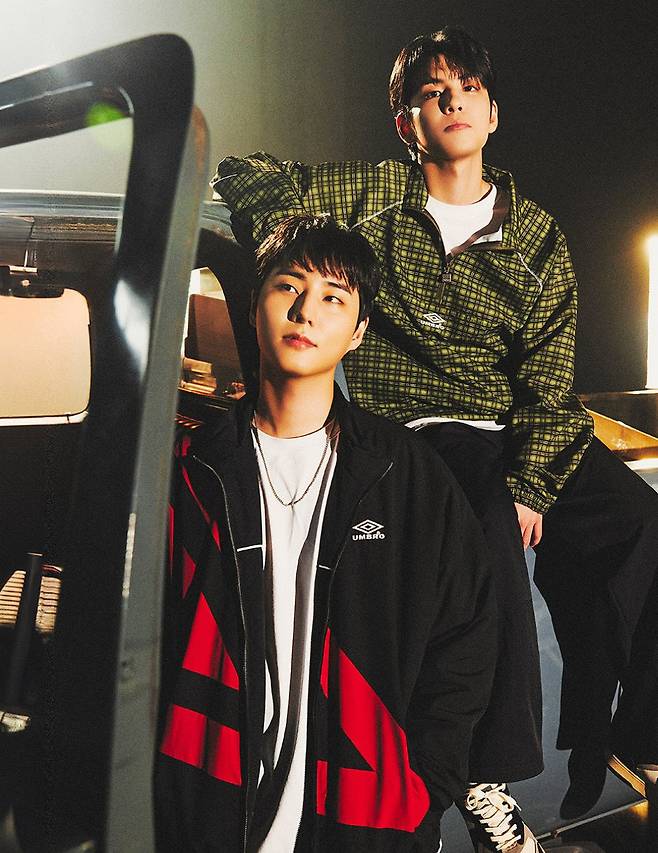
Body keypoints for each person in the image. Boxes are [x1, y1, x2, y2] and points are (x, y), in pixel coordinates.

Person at [211, 25, 658, 851]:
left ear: (493, 114)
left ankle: (641, 737)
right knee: (489, 521)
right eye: (431, 92)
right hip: (424, 423)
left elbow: (549, 384)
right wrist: (298, 239)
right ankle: (490, 774)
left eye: (468, 89)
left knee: (642, 521)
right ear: (405, 123)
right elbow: (243, 170)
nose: (453, 102)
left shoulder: (537, 236)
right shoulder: (371, 193)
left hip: (518, 421)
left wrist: (535, 482)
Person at [155, 214, 498, 852]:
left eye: (334, 298)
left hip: (364, 815)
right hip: (205, 809)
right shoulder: (191, 468)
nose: (306, 311)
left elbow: (467, 635)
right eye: (289, 287)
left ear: (358, 332)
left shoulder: (404, 474)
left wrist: (425, 787)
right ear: (253, 306)